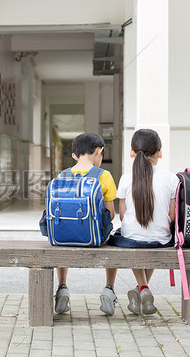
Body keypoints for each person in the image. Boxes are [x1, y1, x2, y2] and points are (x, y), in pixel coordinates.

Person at [109, 128, 179, 315]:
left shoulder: (125, 179)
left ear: (132, 152)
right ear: (160, 153)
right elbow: (172, 217)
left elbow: (123, 218)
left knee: (133, 237)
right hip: (161, 239)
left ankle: (142, 288)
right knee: (153, 238)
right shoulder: (172, 180)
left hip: (132, 238)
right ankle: (143, 288)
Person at [54, 133, 118, 316]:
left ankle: (62, 287)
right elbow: (111, 214)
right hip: (95, 238)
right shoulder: (104, 176)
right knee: (114, 240)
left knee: (62, 238)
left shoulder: (63, 175)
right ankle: (109, 288)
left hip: (64, 236)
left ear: (74, 155)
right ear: (99, 151)